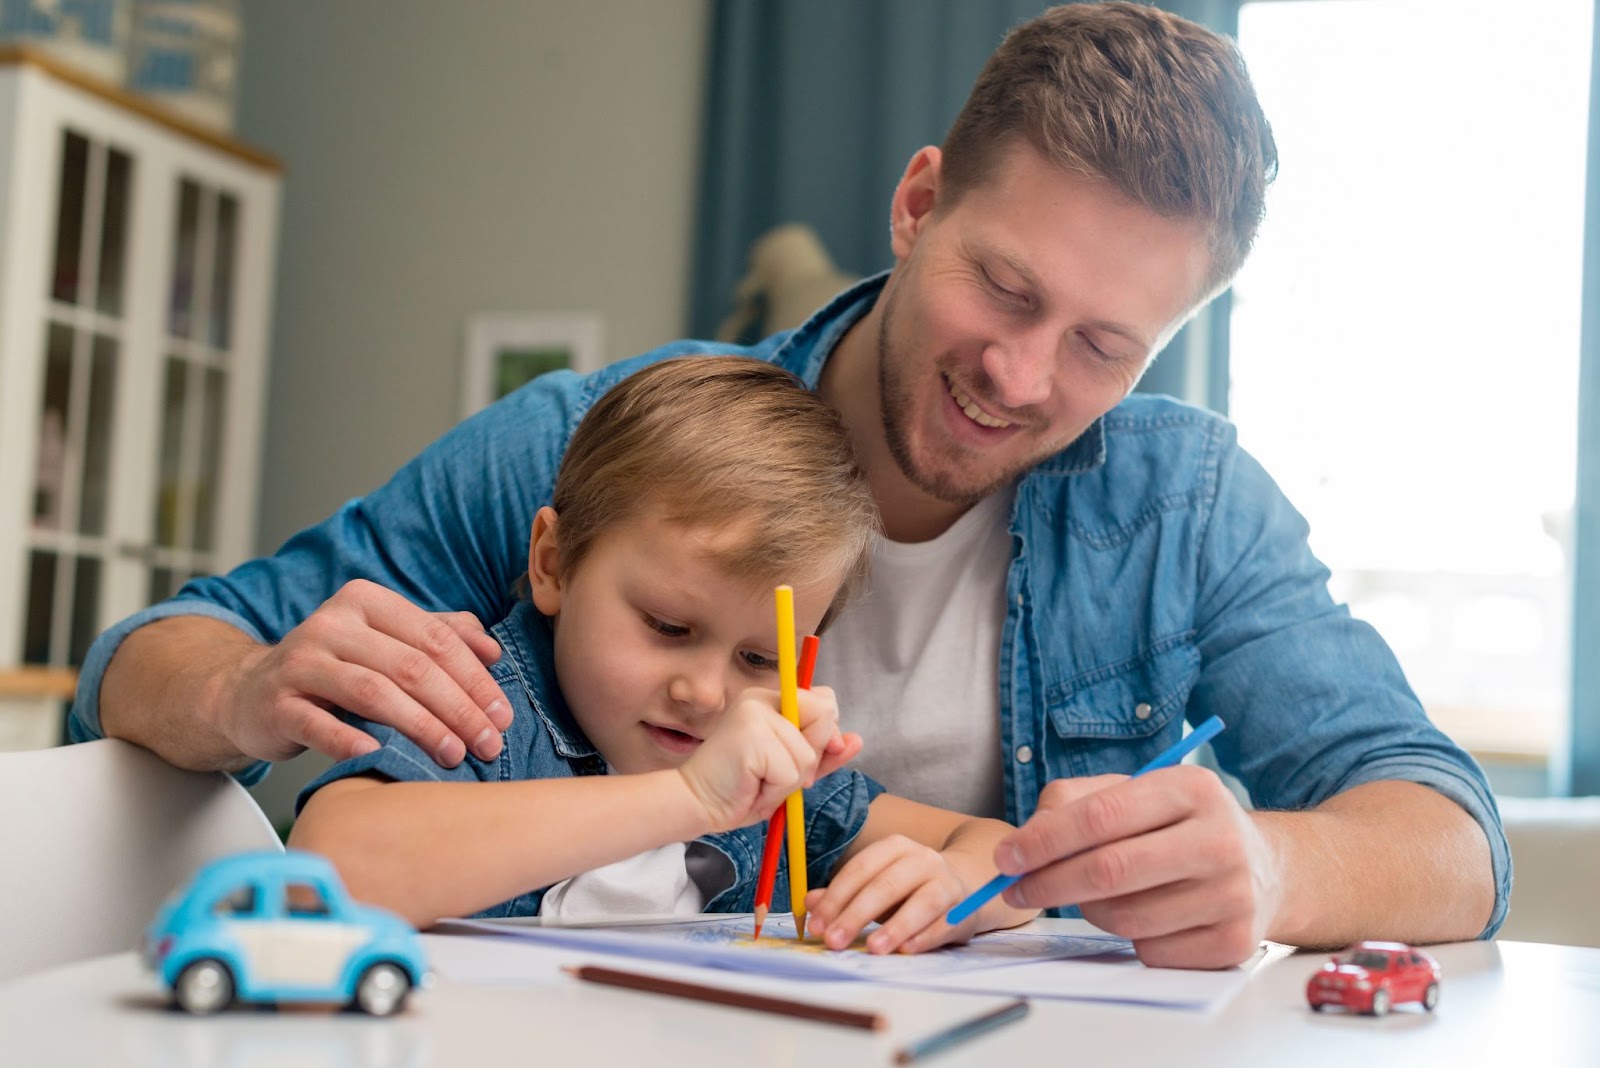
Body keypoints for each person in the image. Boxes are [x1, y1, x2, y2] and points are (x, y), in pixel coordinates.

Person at [76, 2, 1507, 968]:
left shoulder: (1185, 506)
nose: (1019, 375)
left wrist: (1262, 868)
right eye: (1003, 287)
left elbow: (1449, 834)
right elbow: (143, 665)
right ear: (917, 202)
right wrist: (237, 691)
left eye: (1102, 346)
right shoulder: (609, 446)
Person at [287, 356, 1036, 950]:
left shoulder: (771, 777)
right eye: (668, 626)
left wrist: (955, 881)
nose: (708, 695)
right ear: (553, 562)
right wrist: (691, 800)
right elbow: (328, 864)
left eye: (759, 660)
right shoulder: (478, 707)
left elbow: (1000, 851)